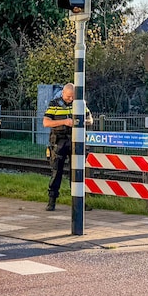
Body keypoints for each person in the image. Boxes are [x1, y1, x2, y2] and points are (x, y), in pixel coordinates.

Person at [41, 83, 92, 211]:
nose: (71, 99)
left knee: (77, 172)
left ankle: (79, 202)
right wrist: (64, 122)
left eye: (73, 97)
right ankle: (51, 201)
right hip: (59, 141)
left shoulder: (80, 103)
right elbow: (46, 122)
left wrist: (80, 122)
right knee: (56, 172)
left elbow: (90, 120)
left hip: (76, 141)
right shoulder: (55, 104)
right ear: (63, 93)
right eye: (69, 96)